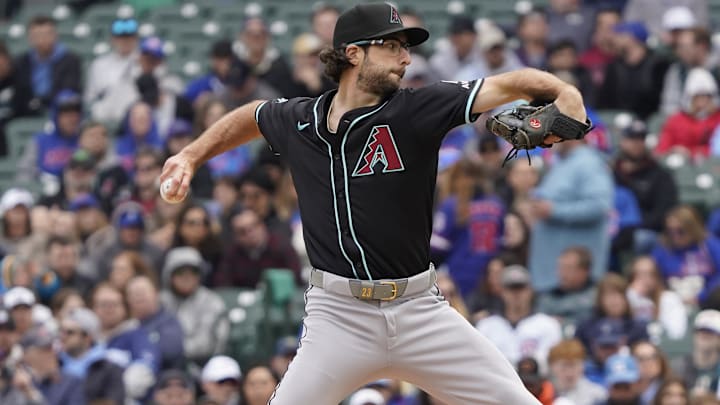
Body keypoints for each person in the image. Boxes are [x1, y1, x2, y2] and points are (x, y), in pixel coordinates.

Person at [159, 3, 589, 404]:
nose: (405, 58)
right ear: (353, 54)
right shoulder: (299, 119)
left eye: (405, 47)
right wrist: (190, 156)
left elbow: (511, 83)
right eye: (391, 46)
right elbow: (251, 115)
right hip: (339, 316)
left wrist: (563, 91)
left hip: (420, 310)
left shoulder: (419, 108)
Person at [476, 264, 563, 371]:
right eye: (511, 288)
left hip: (535, 385)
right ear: (502, 291)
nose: (516, 294)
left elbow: (550, 362)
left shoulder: (548, 324)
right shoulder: (486, 325)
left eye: (521, 288)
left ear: (530, 290)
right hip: (495, 385)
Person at [159, 247, 228, 366]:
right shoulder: (160, 301)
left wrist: (172, 350)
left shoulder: (211, 301)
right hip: (164, 363)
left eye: (193, 272)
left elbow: (205, 345)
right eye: (180, 272)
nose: (187, 277)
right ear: (169, 276)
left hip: (204, 364)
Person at [12, 15, 82, 117]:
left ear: (55, 35)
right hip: (28, 111)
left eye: (47, 34)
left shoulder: (70, 60)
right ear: (30, 38)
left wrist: (42, 102)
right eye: (37, 35)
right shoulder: (22, 62)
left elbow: (68, 89)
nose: (42, 39)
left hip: (60, 111)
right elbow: (20, 92)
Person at [58, 307, 125, 404]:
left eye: (69, 332)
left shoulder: (109, 369)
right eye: (61, 331)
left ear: (87, 337)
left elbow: (114, 401)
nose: (62, 336)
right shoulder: (54, 363)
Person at [626, 256, 687, 340]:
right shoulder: (627, 296)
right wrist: (634, 296)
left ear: (657, 277)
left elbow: (676, 333)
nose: (644, 279)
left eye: (650, 274)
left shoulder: (669, 298)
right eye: (638, 275)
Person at [536, 246, 598, 325]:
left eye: (568, 268)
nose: (562, 273)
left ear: (584, 271)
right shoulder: (547, 297)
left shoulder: (599, 294)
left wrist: (565, 322)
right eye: (560, 268)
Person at [548, 339, 607, 405]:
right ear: (552, 366)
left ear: (583, 365)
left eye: (574, 366)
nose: (569, 373)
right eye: (563, 367)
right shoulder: (542, 391)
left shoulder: (597, 395)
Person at [632, 341, 672, 405]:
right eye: (641, 358)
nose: (649, 362)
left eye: (653, 357)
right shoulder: (624, 391)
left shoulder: (672, 389)